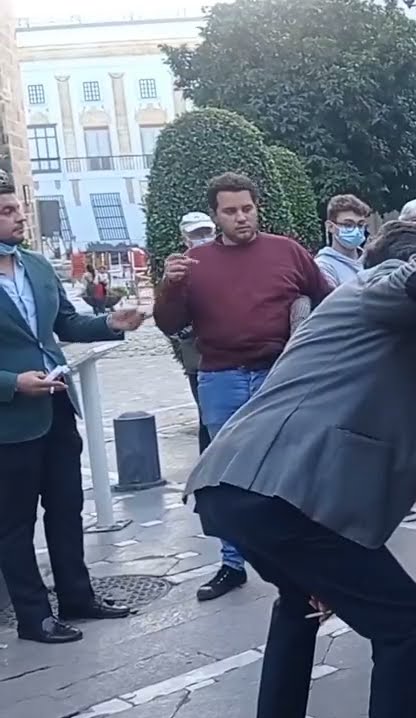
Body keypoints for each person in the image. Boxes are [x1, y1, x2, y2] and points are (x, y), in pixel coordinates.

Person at [184, 201, 416, 718]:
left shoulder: (382, 336)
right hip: (279, 495)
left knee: (299, 603)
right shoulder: (370, 289)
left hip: (238, 488)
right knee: (408, 623)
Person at [154, 172, 331, 603]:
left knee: (289, 465)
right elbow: (169, 323)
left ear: (257, 208)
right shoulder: (196, 263)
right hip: (221, 377)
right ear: (215, 216)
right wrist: (169, 286)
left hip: (280, 374)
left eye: (247, 208)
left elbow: (326, 299)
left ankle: (299, 558)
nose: (241, 217)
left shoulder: (287, 251)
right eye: (230, 211)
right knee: (226, 477)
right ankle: (232, 564)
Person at [0, 180, 147, 644]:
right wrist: (12, 384)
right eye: (7, 211)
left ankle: (77, 596)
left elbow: (64, 323)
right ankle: (33, 615)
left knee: (66, 507)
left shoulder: (38, 267)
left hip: (59, 406)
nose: (20, 216)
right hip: (11, 421)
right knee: (14, 523)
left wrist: (109, 323)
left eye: (18, 208)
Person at [168, 211, 218, 454]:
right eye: (196, 234)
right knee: (207, 420)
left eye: (206, 232)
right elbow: (170, 318)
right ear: (184, 237)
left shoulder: (224, 261)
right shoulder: (178, 269)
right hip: (199, 359)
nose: (202, 238)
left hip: (233, 356)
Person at [315, 194, 372, 288]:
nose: (356, 230)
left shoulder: (370, 259)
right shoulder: (324, 267)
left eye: (360, 225)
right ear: (330, 227)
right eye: (348, 225)